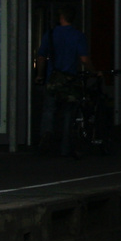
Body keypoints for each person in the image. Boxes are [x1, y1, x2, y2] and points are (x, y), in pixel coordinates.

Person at [35, 8, 91, 158]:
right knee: (68, 113)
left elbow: (41, 58)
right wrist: (94, 70)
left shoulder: (51, 34)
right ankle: (65, 148)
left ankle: (46, 134)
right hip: (70, 81)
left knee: (49, 110)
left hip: (52, 80)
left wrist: (40, 75)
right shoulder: (78, 36)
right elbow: (84, 60)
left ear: (60, 17)